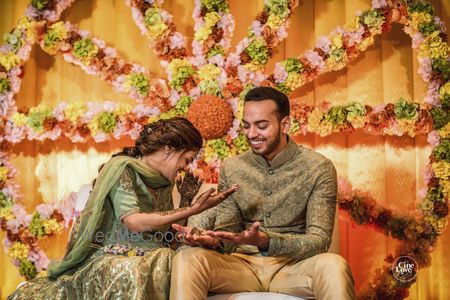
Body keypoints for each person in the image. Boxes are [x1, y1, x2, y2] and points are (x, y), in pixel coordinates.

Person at [9, 117, 238, 300]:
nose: (184, 167)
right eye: (186, 160)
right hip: (113, 256)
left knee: (169, 259)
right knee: (142, 269)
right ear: (169, 148)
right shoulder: (123, 169)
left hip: (153, 254)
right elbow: (133, 221)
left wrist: (187, 204)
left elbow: (165, 236)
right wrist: (193, 209)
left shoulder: (163, 182)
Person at [170, 87, 355, 300]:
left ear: (285, 124)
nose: (251, 134)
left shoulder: (318, 167)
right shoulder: (233, 167)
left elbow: (319, 240)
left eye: (262, 126)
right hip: (241, 266)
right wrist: (217, 241)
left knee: (334, 265)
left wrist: (267, 241)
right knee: (188, 258)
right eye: (246, 126)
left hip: (293, 267)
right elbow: (227, 230)